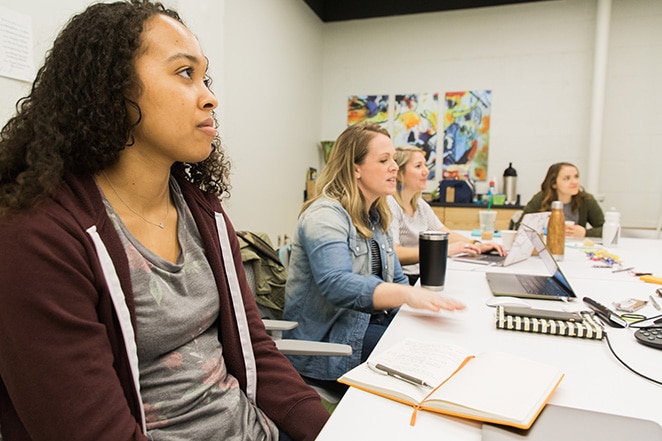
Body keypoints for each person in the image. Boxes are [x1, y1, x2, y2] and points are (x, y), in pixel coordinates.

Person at [0, 2, 328, 440]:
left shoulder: (202, 212)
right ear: (112, 89)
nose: (210, 97)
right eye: (183, 73)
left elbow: (256, 351)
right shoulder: (38, 237)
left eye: (205, 77)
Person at [282, 123, 465, 396]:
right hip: (332, 345)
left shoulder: (376, 216)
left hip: (368, 326)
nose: (394, 167)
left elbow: (397, 277)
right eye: (384, 160)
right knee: (431, 372)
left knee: (447, 345)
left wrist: (424, 299)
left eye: (393, 158)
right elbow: (337, 284)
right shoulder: (325, 215)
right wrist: (407, 295)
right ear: (355, 168)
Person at [388, 146, 504, 285]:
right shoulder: (390, 204)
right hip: (404, 280)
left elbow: (443, 233)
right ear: (399, 173)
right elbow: (394, 253)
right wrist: (443, 251)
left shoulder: (419, 204)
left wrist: (476, 245)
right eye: (418, 166)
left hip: (421, 274)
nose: (426, 171)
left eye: (425, 165)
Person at [516, 162, 605, 238]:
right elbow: (519, 227)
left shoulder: (586, 199)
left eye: (576, 176)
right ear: (554, 183)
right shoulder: (541, 199)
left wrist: (585, 233)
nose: (574, 182)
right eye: (567, 178)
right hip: (548, 247)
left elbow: (606, 230)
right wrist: (542, 232)